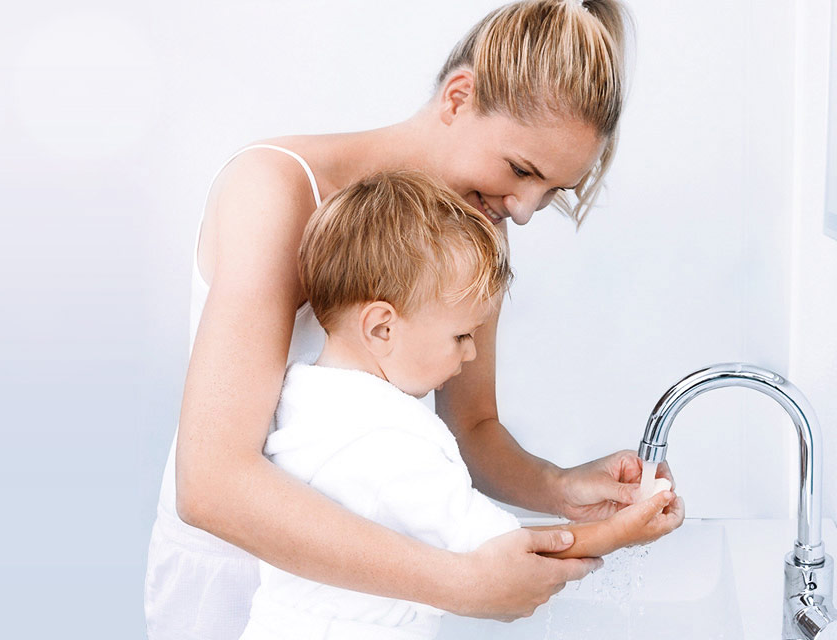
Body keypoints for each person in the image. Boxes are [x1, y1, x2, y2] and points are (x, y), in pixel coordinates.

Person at [144, 2, 684, 638]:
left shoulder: (475, 230)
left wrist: (560, 487)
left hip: (379, 590)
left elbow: (472, 429)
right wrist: (456, 581)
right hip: (238, 578)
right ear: (459, 97)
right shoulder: (278, 190)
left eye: (552, 192)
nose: (525, 211)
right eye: (520, 171)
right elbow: (212, 484)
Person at [238, 170, 680, 640]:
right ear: (382, 329)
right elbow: (510, 558)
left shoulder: (302, 400)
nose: (470, 353)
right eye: (461, 335)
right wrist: (624, 532)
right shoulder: (393, 440)